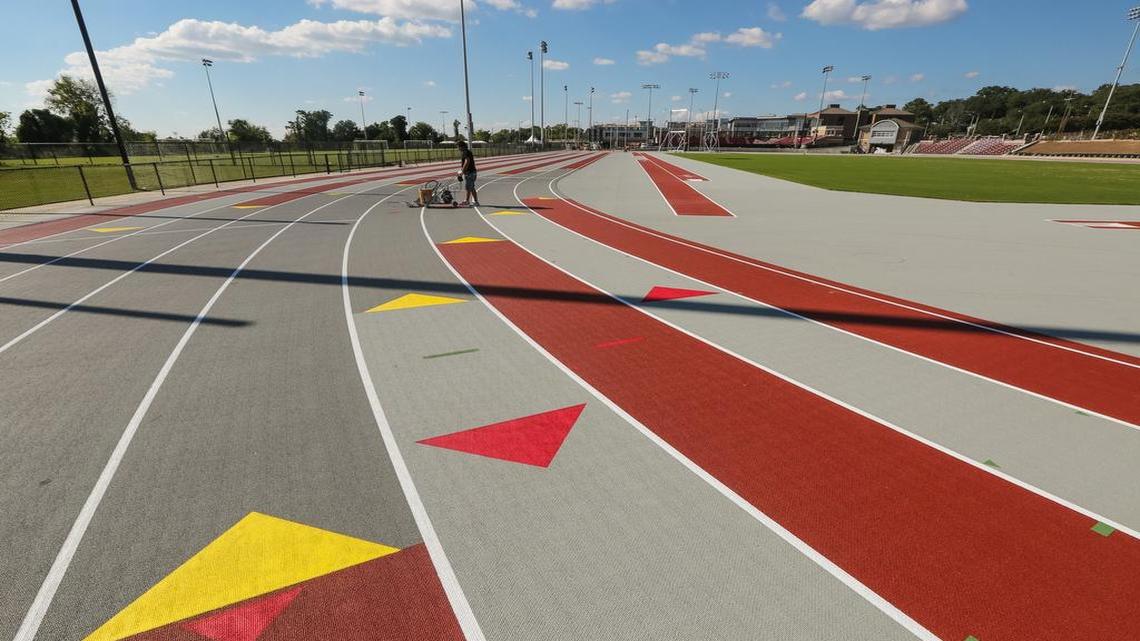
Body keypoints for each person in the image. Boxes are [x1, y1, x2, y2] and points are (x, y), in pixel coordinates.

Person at [456, 141, 479, 206]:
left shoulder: (465, 152)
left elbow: (467, 161)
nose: (458, 148)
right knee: (470, 187)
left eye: (458, 147)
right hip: (472, 172)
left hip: (470, 173)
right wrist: (461, 170)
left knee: (469, 187)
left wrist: (462, 172)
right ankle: (470, 201)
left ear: (461, 147)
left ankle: (471, 201)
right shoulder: (467, 152)